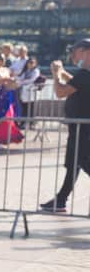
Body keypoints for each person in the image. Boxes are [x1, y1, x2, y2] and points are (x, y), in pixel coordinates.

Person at [41, 39, 90, 212]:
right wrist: (63, 73)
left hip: (82, 129)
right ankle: (61, 200)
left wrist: (55, 74)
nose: (72, 55)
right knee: (73, 164)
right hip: (79, 127)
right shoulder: (84, 75)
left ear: (85, 51)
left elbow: (61, 92)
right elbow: (75, 83)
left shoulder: (84, 75)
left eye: (75, 51)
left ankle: (60, 200)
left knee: (83, 162)